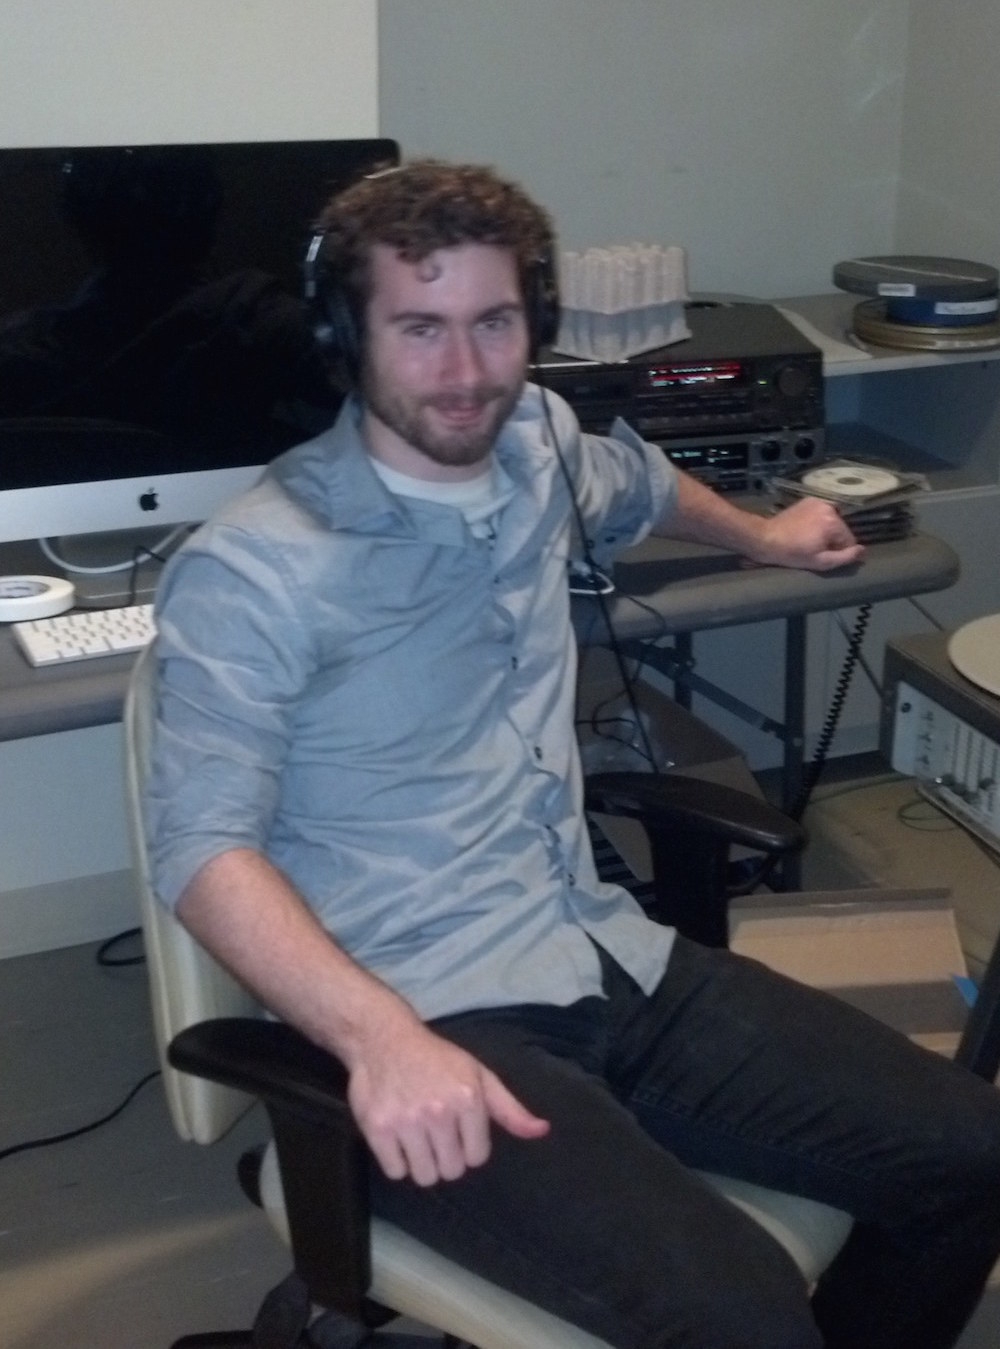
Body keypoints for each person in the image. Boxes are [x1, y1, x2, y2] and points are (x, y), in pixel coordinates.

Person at [145, 159, 1000, 1349]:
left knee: (971, 1154)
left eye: (495, 323)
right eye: (420, 328)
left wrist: (766, 533)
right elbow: (203, 849)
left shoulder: (535, 440)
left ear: (533, 325)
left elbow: (635, 483)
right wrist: (379, 1039)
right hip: (426, 1010)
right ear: (345, 338)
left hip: (601, 946)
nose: (465, 370)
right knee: (739, 1314)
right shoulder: (254, 567)